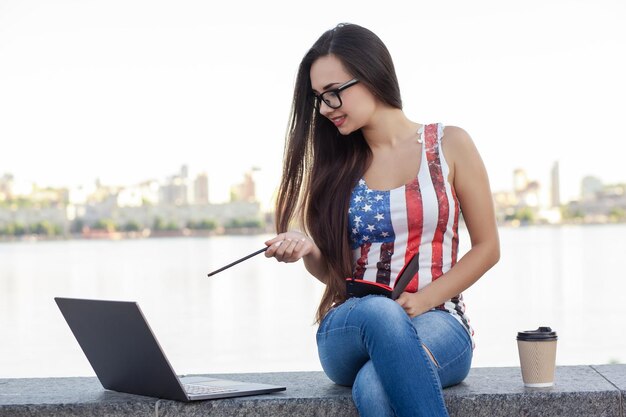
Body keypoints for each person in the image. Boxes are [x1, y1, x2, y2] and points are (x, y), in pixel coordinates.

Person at [264, 23, 500, 417]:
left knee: (375, 386)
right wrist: (307, 250)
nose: (325, 108)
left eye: (334, 92)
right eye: (319, 98)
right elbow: (334, 274)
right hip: (351, 328)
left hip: (441, 323)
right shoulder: (335, 167)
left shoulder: (449, 145)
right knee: (379, 311)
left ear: (372, 74)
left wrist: (424, 300)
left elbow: (488, 248)